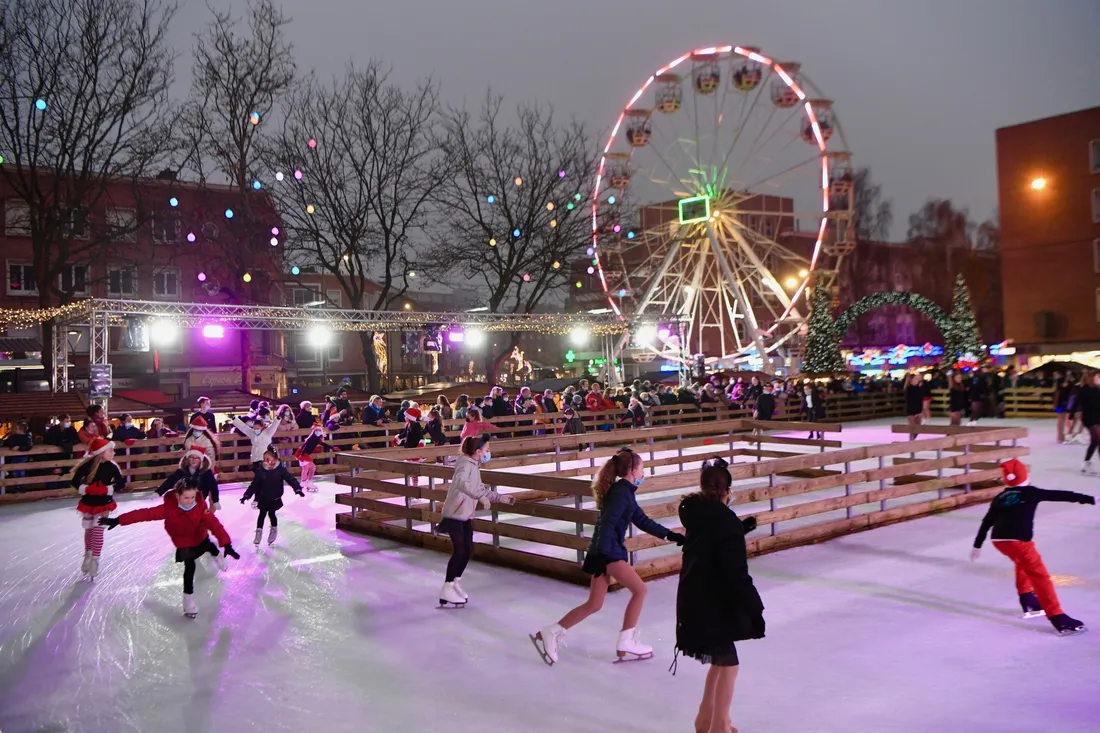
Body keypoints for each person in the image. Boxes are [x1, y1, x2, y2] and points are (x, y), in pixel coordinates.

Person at [531, 448, 685, 665]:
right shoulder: (621, 493)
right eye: (642, 469)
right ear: (632, 470)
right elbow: (607, 524)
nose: (644, 473)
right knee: (640, 590)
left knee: (594, 604)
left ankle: (551, 631)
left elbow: (641, 520)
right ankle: (626, 641)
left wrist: (670, 535)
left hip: (604, 551)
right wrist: (602, 555)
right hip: (608, 552)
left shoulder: (624, 492)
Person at [675, 457, 765, 733]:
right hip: (714, 602)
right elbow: (735, 573)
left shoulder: (696, 513)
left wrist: (740, 529)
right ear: (727, 491)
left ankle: (706, 722)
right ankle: (719, 726)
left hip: (693, 598)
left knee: (721, 659)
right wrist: (755, 608)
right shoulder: (725, 522)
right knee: (729, 664)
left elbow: (709, 542)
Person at [970, 458, 1093, 635]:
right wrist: (1089, 499)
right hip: (1018, 540)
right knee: (1039, 575)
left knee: (1022, 562)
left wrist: (977, 545)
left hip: (999, 541)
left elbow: (987, 521)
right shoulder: (1030, 492)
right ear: (1024, 476)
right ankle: (1058, 617)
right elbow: (1060, 495)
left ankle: (1028, 600)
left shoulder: (1000, 496)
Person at [100, 481, 240, 618]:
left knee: (210, 546)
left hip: (199, 535)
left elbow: (215, 525)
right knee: (189, 566)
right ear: (177, 496)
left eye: (192, 497)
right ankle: (188, 599)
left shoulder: (200, 507)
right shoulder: (169, 508)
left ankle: (218, 556)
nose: (190, 501)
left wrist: (227, 543)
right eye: (186, 497)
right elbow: (144, 514)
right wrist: (118, 520)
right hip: (183, 542)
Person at [437, 435, 516, 606]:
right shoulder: (464, 464)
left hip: (464, 514)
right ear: (478, 452)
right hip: (454, 513)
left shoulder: (474, 465)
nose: (488, 453)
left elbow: (479, 489)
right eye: (486, 450)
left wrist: (500, 498)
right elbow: (461, 483)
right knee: (460, 551)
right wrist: (480, 496)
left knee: (467, 550)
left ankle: (454, 583)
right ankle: (447, 587)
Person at [70, 437, 125, 579]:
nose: (113, 452)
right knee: (89, 530)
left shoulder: (112, 466)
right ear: (102, 452)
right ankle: (88, 554)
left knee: (98, 530)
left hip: (104, 503)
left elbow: (121, 483)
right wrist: (86, 489)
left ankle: (95, 559)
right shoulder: (87, 466)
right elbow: (75, 481)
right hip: (88, 501)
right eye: (111, 450)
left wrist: (107, 489)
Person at [241, 448, 304, 546]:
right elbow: (254, 485)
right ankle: (258, 533)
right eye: (264, 459)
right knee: (261, 515)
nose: (265, 461)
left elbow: (291, 479)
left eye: (268, 459)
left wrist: (297, 489)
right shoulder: (260, 471)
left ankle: (273, 530)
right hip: (263, 497)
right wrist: (246, 495)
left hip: (274, 498)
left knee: (272, 514)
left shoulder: (280, 470)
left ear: (274, 459)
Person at [156, 444, 219, 511]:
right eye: (192, 457)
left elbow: (213, 486)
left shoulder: (206, 472)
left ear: (201, 460)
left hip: (199, 500)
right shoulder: (182, 471)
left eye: (197, 458)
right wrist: (158, 492)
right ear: (188, 459)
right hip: (184, 499)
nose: (194, 460)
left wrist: (215, 501)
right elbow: (170, 481)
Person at [233, 405, 289, 471]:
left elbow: (274, 425)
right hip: (255, 458)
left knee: (265, 475)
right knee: (258, 475)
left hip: (266, 458)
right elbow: (244, 428)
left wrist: (278, 418)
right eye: (254, 428)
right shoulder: (252, 433)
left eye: (257, 428)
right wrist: (234, 419)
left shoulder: (268, 432)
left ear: (262, 427)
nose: (255, 430)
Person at [295, 424, 337, 491]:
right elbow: (305, 446)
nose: (318, 431)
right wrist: (301, 455)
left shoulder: (317, 439)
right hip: (303, 453)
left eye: (319, 430)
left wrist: (332, 447)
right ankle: (305, 482)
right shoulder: (311, 438)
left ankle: (307, 482)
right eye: (316, 430)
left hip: (304, 453)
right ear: (314, 431)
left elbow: (323, 444)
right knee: (308, 468)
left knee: (308, 468)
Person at [1078, 371, 1100, 475]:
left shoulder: (1096, 389)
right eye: (1098, 377)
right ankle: (1086, 464)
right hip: (1091, 418)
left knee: (1095, 441)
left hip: (1097, 418)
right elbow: (1080, 403)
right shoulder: (1086, 390)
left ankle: (1086, 464)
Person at [903, 373, 924, 440]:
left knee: (918, 428)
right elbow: (905, 388)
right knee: (912, 427)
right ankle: (911, 441)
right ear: (911, 380)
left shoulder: (920, 388)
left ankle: (912, 441)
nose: (916, 380)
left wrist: (921, 411)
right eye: (915, 379)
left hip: (918, 409)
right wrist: (907, 378)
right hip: (910, 409)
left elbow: (921, 400)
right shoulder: (908, 388)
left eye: (917, 379)